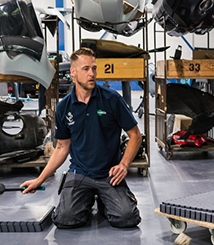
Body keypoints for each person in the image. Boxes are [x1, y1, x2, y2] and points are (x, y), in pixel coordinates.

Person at [21, 47, 142, 229]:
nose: (92, 74)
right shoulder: (64, 107)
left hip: (109, 173)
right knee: (65, 220)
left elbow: (135, 135)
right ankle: (85, 200)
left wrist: (123, 164)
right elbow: (62, 147)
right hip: (80, 173)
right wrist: (40, 180)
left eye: (94, 68)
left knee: (127, 218)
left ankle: (104, 201)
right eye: (86, 69)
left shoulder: (112, 100)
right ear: (73, 72)